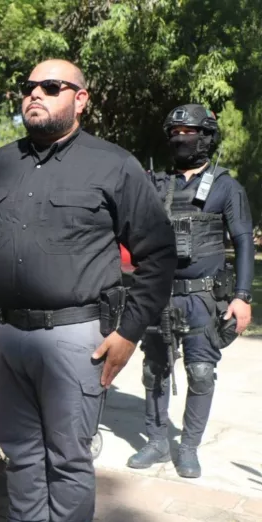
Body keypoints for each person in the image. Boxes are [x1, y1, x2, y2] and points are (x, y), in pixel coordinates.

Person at [0, 59, 178, 522]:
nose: (35, 93)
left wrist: (129, 332)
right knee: (21, 457)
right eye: (29, 86)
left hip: (76, 339)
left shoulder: (113, 165)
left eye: (51, 86)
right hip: (5, 336)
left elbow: (157, 255)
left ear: (80, 100)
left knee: (69, 461)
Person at [127, 104, 254, 478]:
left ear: (206, 137)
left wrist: (242, 296)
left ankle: (190, 447)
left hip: (203, 297)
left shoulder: (226, 185)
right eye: (175, 133)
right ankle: (155, 442)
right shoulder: (158, 184)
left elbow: (244, 241)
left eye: (189, 132)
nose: (181, 139)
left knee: (200, 372)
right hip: (159, 293)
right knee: (155, 370)